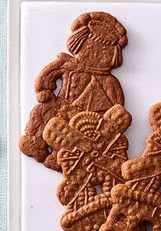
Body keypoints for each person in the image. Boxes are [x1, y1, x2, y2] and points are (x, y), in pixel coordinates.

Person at [19, 12, 128, 171]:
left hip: (88, 121)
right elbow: (48, 74)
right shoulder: (69, 66)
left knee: (75, 139)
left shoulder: (110, 81)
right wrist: (44, 89)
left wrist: (108, 122)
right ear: (79, 44)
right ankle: (34, 140)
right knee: (42, 112)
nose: (97, 54)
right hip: (62, 107)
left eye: (104, 52)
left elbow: (117, 106)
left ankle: (62, 159)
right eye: (92, 48)